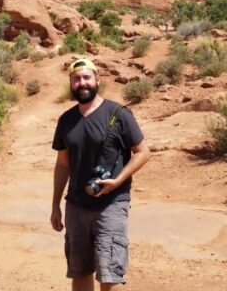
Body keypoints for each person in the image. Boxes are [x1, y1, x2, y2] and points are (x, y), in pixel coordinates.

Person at [51, 57, 151, 291]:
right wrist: (55, 205)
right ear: (70, 83)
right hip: (76, 205)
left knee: (109, 274)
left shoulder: (118, 113)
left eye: (86, 77)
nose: (82, 83)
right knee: (80, 271)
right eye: (76, 79)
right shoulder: (66, 120)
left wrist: (117, 181)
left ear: (97, 79)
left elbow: (143, 152)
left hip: (111, 205)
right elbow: (62, 164)